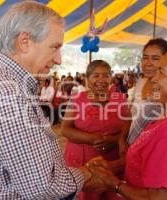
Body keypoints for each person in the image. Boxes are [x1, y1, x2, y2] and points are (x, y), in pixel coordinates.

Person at [0, 2, 105, 199]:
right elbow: (43, 187)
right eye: (54, 47)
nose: (59, 59)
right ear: (25, 42)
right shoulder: (8, 94)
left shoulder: (3, 80)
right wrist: (86, 173)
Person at [88, 47, 167, 200]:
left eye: (162, 72)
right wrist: (111, 167)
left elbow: (161, 197)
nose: (154, 78)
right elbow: (147, 161)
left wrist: (114, 184)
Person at [62, 60, 131, 200]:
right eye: (96, 75)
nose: (101, 80)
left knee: (111, 193)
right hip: (83, 162)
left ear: (111, 78)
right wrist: (93, 139)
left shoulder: (120, 99)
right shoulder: (76, 100)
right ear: (87, 79)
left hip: (112, 160)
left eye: (105, 75)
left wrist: (114, 140)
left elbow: (128, 124)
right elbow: (65, 129)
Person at [124, 38, 167, 146]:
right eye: (145, 58)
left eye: (155, 58)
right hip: (130, 146)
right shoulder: (141, 83)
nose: (148, 63)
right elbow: (130, 117)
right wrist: (121, 140)